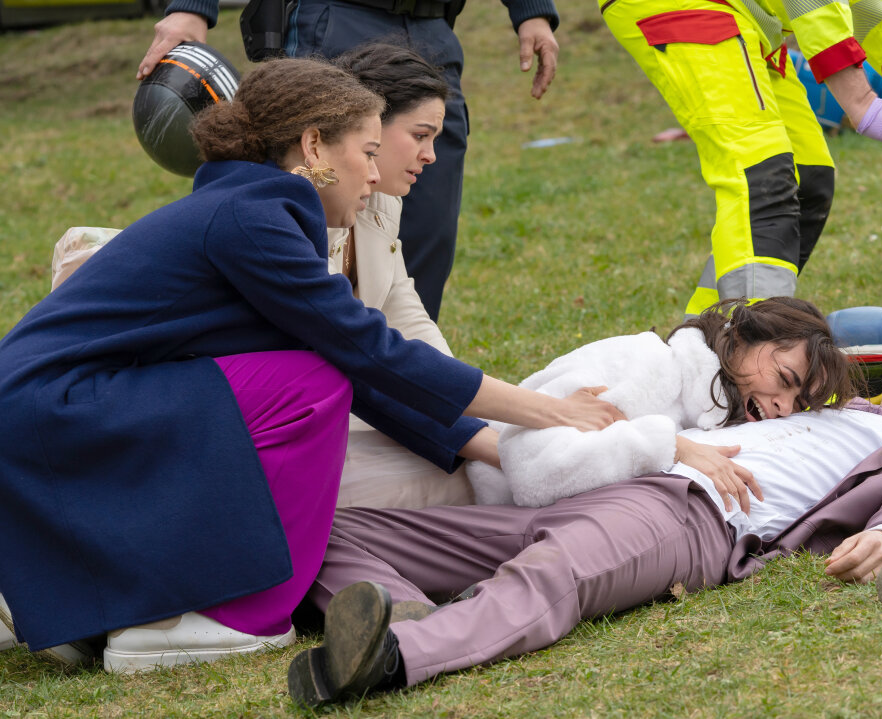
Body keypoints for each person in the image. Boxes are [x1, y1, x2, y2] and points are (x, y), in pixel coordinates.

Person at [0, 57, 623, 674]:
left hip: (51, 404)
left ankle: (129, 609)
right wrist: (552, 411)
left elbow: (363, 365)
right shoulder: (253, 217)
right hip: (54, 406)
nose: (375, 177)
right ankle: (227, 616)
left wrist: (494, 444)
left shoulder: (247, 206)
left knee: (311, 376)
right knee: (309, 384)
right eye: (368, 152)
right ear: (313, 144)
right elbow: (367, 353)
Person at [286, 374, 882, 707]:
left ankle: (391, 658)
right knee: (335, 528)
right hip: (616, 478)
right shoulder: (850, 408)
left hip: (689, 515)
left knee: (556, 572)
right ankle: (412, 611)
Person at [137, 0, 561, 321]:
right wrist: (192, 7)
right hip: (332, 19)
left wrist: (531, 9)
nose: (426, 151)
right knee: (317, 210)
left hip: (432, 25)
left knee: (425, 217)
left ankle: (404, 380)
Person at [599, 0, 882, 313]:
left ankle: (704, 336)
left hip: (748, 14)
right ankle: (749, 351)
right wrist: (861, 102)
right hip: (683, 6)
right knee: (761, 176)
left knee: (805, 177)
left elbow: (861, 5)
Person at [468, 297, 857, 510]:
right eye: (785, 381)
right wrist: (670, 447)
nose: (785, 408)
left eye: (800, 402)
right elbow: (534, 473)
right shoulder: (649, 366)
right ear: (741, 337)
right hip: (459, 496)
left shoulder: (711, 410)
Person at [329, 42, 477, 509]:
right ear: (368, 123)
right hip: (312, 422)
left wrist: (466, 397)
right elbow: (354, 357)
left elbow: (401, 305)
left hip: (359, 406)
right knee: (464, 480)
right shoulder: (300, 208)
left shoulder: (385, 200)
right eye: (420, 135)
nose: (431, 155)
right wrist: (472, 434)